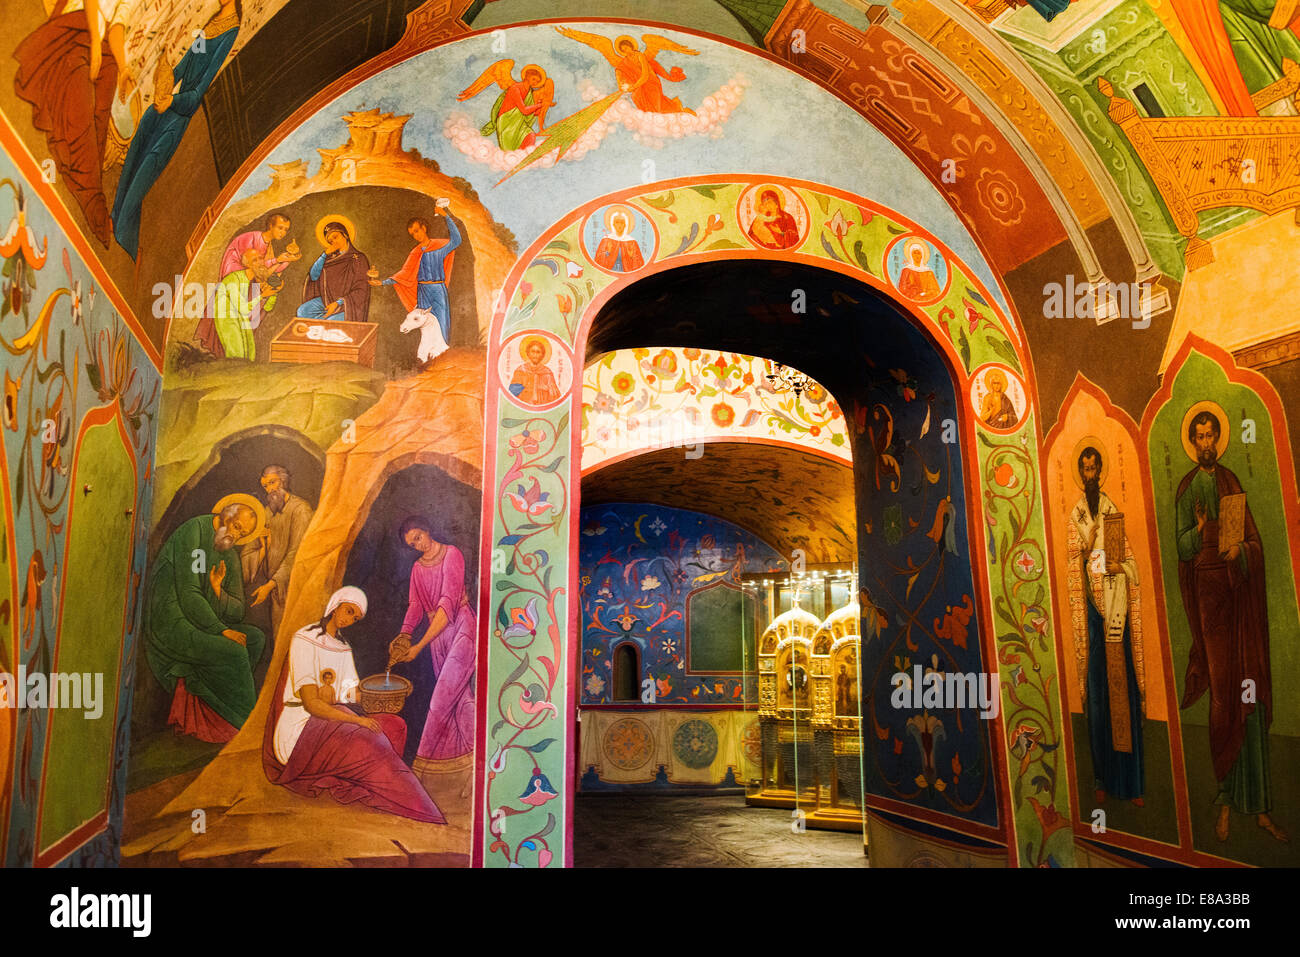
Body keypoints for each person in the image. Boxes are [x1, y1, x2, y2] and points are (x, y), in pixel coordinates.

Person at [1175, 408, 1284, 842]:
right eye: (1198, 436)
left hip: (1239, 600)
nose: (1205, 443)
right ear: (1193, 442)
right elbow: (1181, 547)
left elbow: (1253, 540)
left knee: (1249, 694)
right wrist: (1200, 531)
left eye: (1210, 435)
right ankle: (1224, 798)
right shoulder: (1187, 489)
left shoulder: (1231, 482)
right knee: (1223, 698)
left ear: (1218, 440)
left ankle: (1259, 807)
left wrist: (1243, 552)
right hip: (1209, 601)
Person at [264, 586, 444, 823]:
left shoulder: (343, 647)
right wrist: (357, 720)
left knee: (394, 726)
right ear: (335, 604)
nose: (349, 620)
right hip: (300, 729)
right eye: (348, 611)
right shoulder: (304, 638)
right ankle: (416, 805)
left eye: (355, 617)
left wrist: (390, 691)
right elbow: (312, 704)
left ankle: (371, 787)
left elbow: (353, 695)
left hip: (335, 719)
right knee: (369, 737)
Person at [111, 0, 241, 258]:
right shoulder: (212, 23)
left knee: (147, 168)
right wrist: (166, 73)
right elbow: (187, 62)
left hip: (179, 115)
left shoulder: (231, 31)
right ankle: (115, 215)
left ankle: (123, 233)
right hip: (167, 106)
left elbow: (199, 90)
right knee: (138, 144)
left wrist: (174, 101)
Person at [14, 0, 138, 244]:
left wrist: (124, 68)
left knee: (100, 118)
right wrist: (93, 42)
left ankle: (86, 182)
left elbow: (117, 27)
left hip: (102, 46)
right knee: (80, 115)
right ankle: (95, 206)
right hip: (76, 29)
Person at [145, 496, 267, 741]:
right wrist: (222, 630)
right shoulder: (194, 531)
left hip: (203, 621)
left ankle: (215, 715)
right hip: (172, 620)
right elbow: (189, 594)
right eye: (235, 525)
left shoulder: (229, 553)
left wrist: (219, 590)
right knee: (234, 651)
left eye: (241, 532)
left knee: (255, 639)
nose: (235, 534)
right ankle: (246, 727)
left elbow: (237, 610)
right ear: (224, 515)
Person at [1070, 446, 1145, 806]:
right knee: (1098, 699)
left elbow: (1131, 564)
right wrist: (1088, 546)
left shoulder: (1113, 509)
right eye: (1083, 468)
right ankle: (1101, 778)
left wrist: (1119, 569)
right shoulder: (1077, 514)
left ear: (1100, 470)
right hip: (1091, 617)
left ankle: (1129, 782)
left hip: (1116, 613)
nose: (1089, 473)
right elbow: (1074, 560)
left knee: (1123, 696)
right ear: (1080, 472)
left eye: (1093, 467)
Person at [387, 517, 476, 814]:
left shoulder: (452, 554)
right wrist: (403, 635)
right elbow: (415, 605)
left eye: (418, 538)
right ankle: (476, 774)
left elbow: (446, 607)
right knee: (461, 704)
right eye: (411, 544)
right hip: (436, 639)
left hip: (460, 629)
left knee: (440, 703)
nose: (417, 545)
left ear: (427, 530)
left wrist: (418, 647)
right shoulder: (417, 568)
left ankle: (417, 779)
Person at [197, 213, 299, 358]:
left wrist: (287, 260)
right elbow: (253, 265)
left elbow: (265, 272)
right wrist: (277, 260)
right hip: (235, 279)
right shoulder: (252, 238)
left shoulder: (268, 246)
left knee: (253, 316)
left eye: (286, 230)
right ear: (270, 226)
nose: (282, 233)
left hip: (248, 283)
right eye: (280, 228)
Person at [369, 208, 461, 362]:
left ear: (424, 228)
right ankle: (425, 359)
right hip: (423, 291)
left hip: (438, 290)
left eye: (417, 231)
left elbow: (457, 240)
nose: (416, 235)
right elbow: (405, 273)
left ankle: (441, 358)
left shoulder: (438, 247)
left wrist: (445, 215)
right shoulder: (415, 252)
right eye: (412, 234)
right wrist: (383, 282)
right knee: (423, 325)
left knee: (441, 322)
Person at [240, 465, 314, 639]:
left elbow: (298, 553)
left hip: (296, 588)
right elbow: (250, 550)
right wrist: (262, 544)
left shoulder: (301, 509)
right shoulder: (267, 512)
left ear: (284, 481)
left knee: (296, 639)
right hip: (277, 591)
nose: (270, 489)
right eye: (265, 486)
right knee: (279, 639)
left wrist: (269, 585)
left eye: (273, 482)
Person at [457, 61, 554, 151]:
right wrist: (539, 105)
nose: (534, 83)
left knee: (531, 136)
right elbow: (524, 110)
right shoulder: (515, 88)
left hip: (519, 122)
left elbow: (532, 115)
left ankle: (522, 159)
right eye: (533, 79)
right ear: (527, 76)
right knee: (510, 148)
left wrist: (541, 105)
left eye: (537, 82)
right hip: (507, 121)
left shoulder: (530, 94)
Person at [298, 220, 372, 323]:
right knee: (302, 311)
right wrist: (324, 254)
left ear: (345, 235)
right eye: (330, 241)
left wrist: (338, 303)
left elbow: (361, 290)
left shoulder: (359, 258)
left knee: (331, 322)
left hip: (347, 305)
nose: (334, 242)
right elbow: (313, 276)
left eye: (335, 237)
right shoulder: (329, 258)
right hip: (327, 300)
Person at [211, 247, 276, 360]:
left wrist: (273, 293)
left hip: (241, 318)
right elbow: (244, 309)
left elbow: (267, 307)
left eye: (260, 258)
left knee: (250, 353)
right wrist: (262, 296)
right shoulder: (234, 279)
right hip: (227, 318)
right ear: (247, 265)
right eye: (254, 260)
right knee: (237, 354)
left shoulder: (252, 280)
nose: (260, 262)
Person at [508, 336, 561, 405]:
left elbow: (555, 397)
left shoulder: (547, 373)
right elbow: (512, 394)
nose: (535, 355)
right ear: (528, 353)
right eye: (533, 351)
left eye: (538, 352)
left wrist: (546, 389)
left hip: (542, 406)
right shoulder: (521, 371)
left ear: (542, 355)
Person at [593, 206, 644, 272]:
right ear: (613, 224)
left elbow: (639, 264)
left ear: (625, 224)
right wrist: (607, 252)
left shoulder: (631, 242)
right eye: (617, 222)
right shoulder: (606, 240)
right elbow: (598, 260)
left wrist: (632, 257)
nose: (619, 225)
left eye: (622, 222)